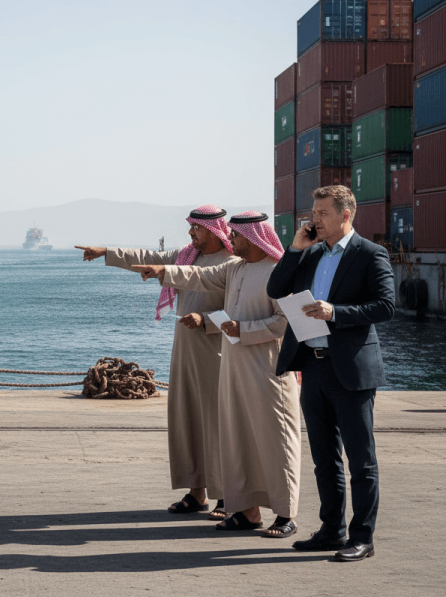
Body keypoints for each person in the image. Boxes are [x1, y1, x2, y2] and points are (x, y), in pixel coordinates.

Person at [132, 212, 301, 539]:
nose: (231, 242)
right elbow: (200, 276)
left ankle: (285, 515)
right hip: (233, 369)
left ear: (252, 238)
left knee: (276, 442)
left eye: (235, 237)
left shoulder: (281, 273)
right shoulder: (234, 268)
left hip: (268, 372)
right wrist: (163, 271)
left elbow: (285, 323)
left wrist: (243, 329)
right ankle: (247, 512)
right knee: (238, 441)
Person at [75, 205, 235, 519]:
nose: (191, 233)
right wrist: (105, 252)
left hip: (216, 354)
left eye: (197, 228)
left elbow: (241, 314)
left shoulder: (231, 264)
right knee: (187, 419)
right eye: (190, 228)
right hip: (185, 351)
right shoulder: (188, 255)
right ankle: (196, 492)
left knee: (216, 424)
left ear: (215, 230)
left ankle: (226, 496)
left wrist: (204, 320)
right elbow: (147, 258)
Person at [266, 185, 395, 562]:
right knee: (325, 457)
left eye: (321, 213)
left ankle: (362, 537)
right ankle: (331, 530)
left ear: (345, 215)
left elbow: (386, 306)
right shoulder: (310, 253)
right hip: (312, 365)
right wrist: (294, 250)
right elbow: (275, 288)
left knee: (361, 459)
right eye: (313, 212)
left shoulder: (371, 254)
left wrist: (335, 312)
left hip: (352, 369)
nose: (313, 219)